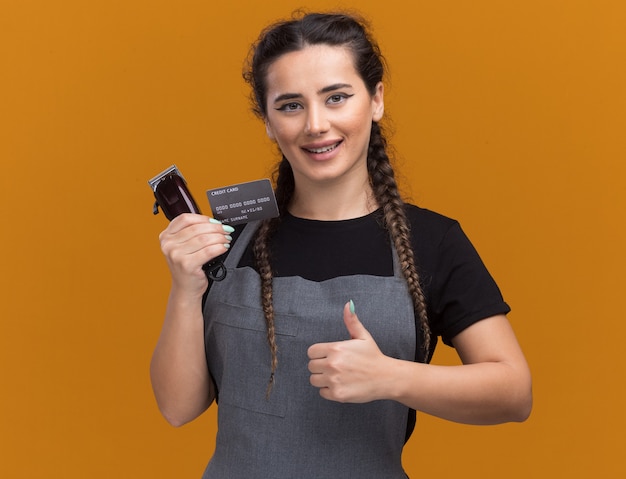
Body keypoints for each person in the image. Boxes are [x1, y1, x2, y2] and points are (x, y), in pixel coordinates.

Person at [150, 11, 532, 478]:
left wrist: (391, 377)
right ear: (268, 121)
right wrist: (185, 289)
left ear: (375, 100)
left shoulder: (433, 242)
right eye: (290, 105)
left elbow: (514, 393)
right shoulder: (228, 239)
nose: (316, 124)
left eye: (337, 98)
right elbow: (177, 407)